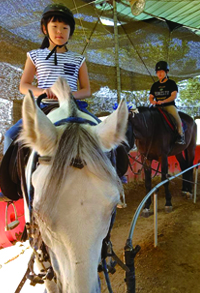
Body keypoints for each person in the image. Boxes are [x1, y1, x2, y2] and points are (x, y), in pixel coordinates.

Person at [3, 3, 95, 154]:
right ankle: (6, 177)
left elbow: (86, 90)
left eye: (65, 28)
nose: (59, 31)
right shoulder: (34, 56)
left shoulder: (79, 59)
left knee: (103, 134)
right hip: (43, 106)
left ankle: (117, 175)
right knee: (10, 136)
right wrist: (44, 91)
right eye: (54, 26)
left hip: (74, 106)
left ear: (70, 32)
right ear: (45, 29)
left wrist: (66, 95)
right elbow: (24, 86)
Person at [149, 61, 185, 144]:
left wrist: (163, 101)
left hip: (169, 106)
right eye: (158, 72)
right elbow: (151, 97)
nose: (159, 74)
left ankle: (180, 135)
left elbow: (173, 96)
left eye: (161, 71)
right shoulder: (154, 85)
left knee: (177, 117)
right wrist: (153, 102)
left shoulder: (171, 83)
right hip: (157, 107)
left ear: (166, 72)